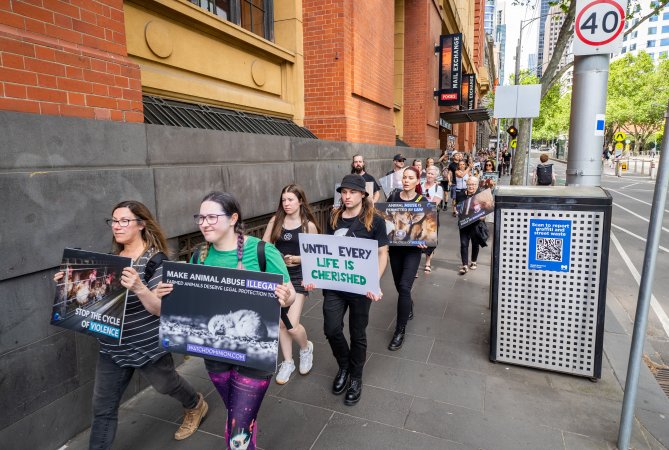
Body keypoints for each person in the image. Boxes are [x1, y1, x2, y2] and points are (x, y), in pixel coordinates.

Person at [53, 201, 208, 450]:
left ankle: (195, 404)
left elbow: (159, 309)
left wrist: (139, 287)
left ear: (141, 224)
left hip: (147, 345)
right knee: (102, 409)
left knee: (166, 384)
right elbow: (93, 301)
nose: (117, 226)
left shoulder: (156, 261)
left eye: (124, 220)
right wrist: (68, 285)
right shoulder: (110, 260)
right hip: (112, 347)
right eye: (113, 221)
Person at [185, 191, 296, 450]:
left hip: (255, 356)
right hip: (215, 356)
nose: (205, 223)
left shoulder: (262, 251)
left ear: (233, 218)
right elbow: (194, 303)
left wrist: (285, 296)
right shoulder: (198, 256)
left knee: (238, 431)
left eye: (212, 216)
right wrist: (170, 293)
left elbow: (289, 297)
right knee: (237, 414)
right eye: (201, 217)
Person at [313, 174, 388, 406]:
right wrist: (315, 274)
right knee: (331, 328)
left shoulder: (375, 220)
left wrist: (374, 282)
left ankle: (356, 377)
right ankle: (344, 365)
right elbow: (326, 251)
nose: (346, 196)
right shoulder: (334, 217)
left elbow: (382, 253)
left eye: (352, 192)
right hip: (335, 285)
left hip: (360, 288)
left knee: (358, 333)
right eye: (344, 192)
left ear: (363, 194)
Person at [262, 184, 319, 385]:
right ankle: (288, 362)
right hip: (279, 276)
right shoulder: (275, 221)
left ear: (300, 201)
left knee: (292, 325)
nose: (286, 204)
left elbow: (316, 254)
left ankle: (305, 348)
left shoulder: (308, 226)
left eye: (290, 200)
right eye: (283, 200)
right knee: (280, 323)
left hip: (299, 276)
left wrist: (297, 259)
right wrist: (277, 257)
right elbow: (265, 247)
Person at [384, 167, 429, 352]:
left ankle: (399, 330)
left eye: (411, 178)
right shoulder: (393, 197)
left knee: (404, 287)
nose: (406, 180)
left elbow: (430, 228)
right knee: (399, 286)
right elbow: (386, 221)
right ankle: (408, 304)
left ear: (417, 181)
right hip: (395, 250)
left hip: (412, 251)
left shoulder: (422, 200)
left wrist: (425, 242)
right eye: (404, 177)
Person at [421, 166, 444, 273]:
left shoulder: (438, 188)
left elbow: (435, 203)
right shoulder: (419, 186)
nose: (429, 175)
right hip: (419, 216)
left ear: (436, 176)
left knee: (430, 240)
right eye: (428, 173)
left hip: (431, 217)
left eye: (432, 174)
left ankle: (427, 262)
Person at [458, 177, 483, 275]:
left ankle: (473, 261)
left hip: (476, 224)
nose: (471, 186)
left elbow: (485, 209)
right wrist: (457, 211)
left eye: (473, 184)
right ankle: (464, 265)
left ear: (477, 185)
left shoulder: (480, 195)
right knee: (464, 244)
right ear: (466, 184)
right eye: (469, 184)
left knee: (475, 243)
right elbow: (458, 206)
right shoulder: (461, 194)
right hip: (464, 223)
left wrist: (483, 217)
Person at [446, 152, 463, 216]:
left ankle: (461, 210)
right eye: (456, 155)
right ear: (453, 156)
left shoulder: (462, 164)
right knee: (454, 198)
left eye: (459, 155)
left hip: (462, 183)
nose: (458, 156)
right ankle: (454, 211)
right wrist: (449, 181)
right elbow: (449, 173)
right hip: (454, 183)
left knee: (461, 197)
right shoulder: (451, 165)